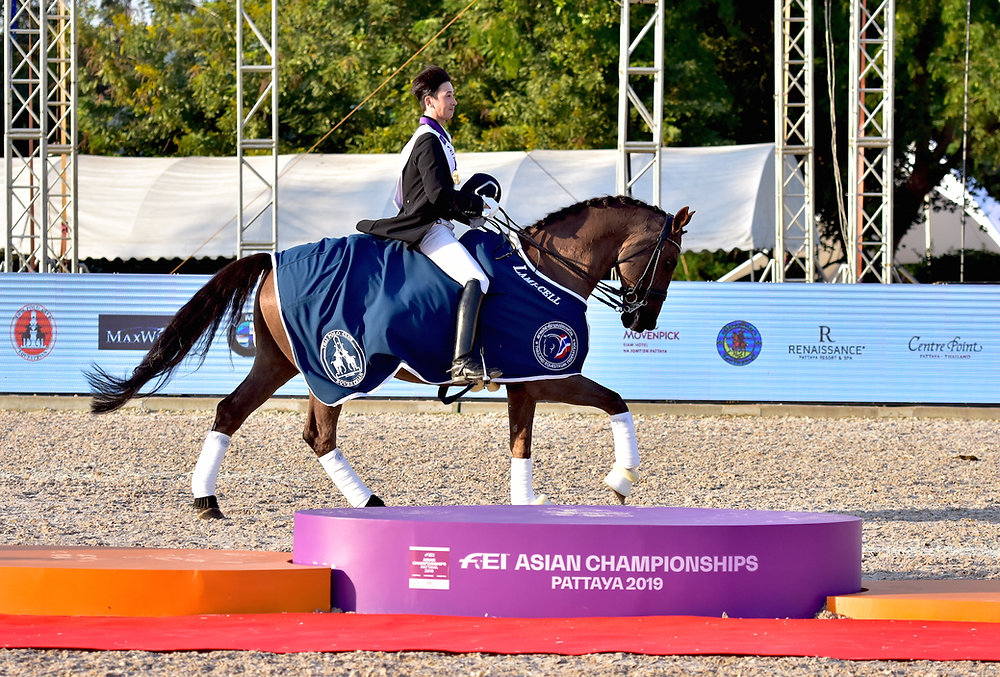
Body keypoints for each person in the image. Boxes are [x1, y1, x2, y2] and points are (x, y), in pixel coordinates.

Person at [357, 65, 498, 384]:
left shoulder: (436, 137)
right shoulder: (428, 139)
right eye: (448, 95)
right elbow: (437, 195)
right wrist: (477, 205)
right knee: (477, 278)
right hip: (426, 228)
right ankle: (462, 360)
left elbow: (439, 194)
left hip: (435, 222)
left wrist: (471, 214)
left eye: (453, 95)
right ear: (430, 102)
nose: (454, 101)